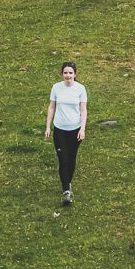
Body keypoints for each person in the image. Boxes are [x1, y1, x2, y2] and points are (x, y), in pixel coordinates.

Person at [45, 60, 87, 206]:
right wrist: (48, 126)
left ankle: (68, 183)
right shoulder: (56, 88)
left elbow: (83, 110)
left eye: (70, 73)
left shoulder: (80, 89)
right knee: (63, 160)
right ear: (62, 74)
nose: (68, 75)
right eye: (65, 73)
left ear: (75, 74)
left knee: (71, 159)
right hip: (60, 130)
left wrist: (82, 129)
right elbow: (51, 107)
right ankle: (66, 191)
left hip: (75, 130)